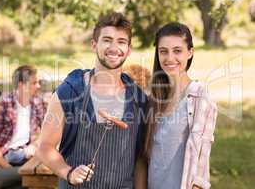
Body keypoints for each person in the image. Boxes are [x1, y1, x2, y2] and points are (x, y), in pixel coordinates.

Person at [36, 12, 148, 189]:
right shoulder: (70, 92)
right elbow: (44, 146)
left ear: (128, 49)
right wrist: (69, 172)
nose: (114, 47)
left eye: (121, 42)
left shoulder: (138, 99)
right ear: (94, 44)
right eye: (107, 40)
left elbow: (141, 158)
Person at [145, 22, 218, 189]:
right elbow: (145, 157)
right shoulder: (154, 99)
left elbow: (201, 164)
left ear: (190, 52)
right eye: (163, 51)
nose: (170, 58)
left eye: (177, 51)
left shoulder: (199, 97)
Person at [0, 65, 46, 166]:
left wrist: (34, 144)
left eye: (39, 82)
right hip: (6, 153)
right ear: (21, 85)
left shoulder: (37, 102)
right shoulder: (4, 103)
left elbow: (46, 130)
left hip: (27, 150)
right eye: (34, 83)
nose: (38, 86)